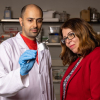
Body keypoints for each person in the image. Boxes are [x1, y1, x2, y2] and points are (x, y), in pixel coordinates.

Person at [0, 4, 55, 100]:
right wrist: (20, 73)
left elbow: (49, 86)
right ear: (21, 21)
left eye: (39, 21)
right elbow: (1, 87)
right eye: (30, 20)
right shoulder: (6, 48)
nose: (35, 25)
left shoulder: (44, 49)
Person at [60, 18, 100, 100]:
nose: (67, 41)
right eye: (65, 38)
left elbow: (97, 97)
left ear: (82, 32)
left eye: (71, 35)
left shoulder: (97, 54)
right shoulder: (78, 58)